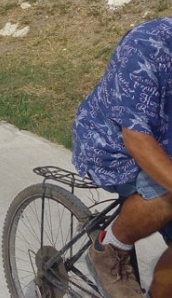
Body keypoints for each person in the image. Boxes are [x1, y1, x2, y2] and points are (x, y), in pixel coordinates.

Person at [72, 17, 172, 298]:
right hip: (112, 147)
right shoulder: (146, 46)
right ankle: (110, 249)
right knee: (167, 192)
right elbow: (137, 138)